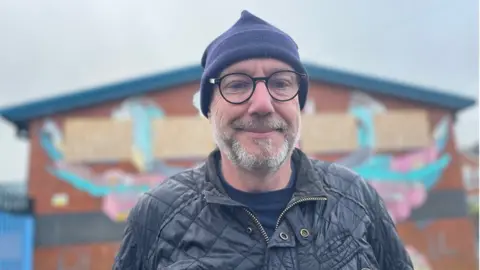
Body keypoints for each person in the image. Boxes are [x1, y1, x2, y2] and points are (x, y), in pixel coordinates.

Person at [113, 10, 413, 270]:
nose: (262, 104)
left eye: (281, 83)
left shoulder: (356, 197)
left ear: (298, 103)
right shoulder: (157, 213)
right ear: (209, 108)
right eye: (238, 84)